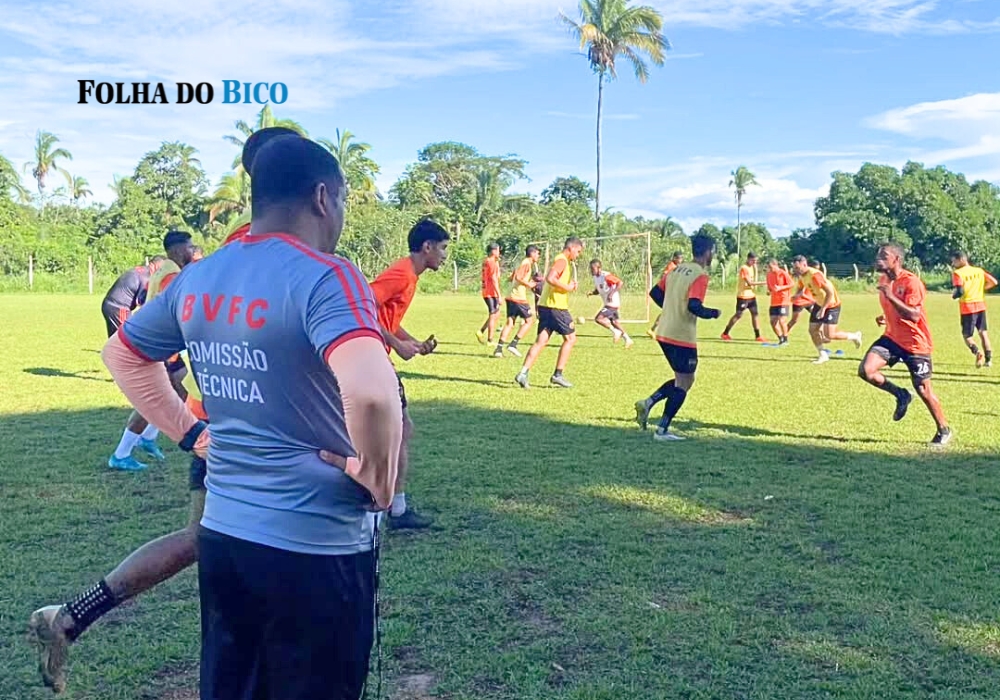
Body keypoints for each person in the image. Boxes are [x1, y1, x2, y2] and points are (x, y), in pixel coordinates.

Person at [28, 127, 341, 696]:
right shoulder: (279, 248)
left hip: (227, 426)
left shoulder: (237, 245)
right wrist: (192, 430)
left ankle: (71, 617)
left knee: (207, 541)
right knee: (248, 562)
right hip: (253, 439)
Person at [100, 132, 399, 700]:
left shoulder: (199, 276)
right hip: (316, 545)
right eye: (342, 200)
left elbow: (123, 355)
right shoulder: (327, 276)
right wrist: (378, 477)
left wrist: (191, 433)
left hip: (225, 538)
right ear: (322, 198)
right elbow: (375, 394)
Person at [370, 219, 451, 531]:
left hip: (376, 356)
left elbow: (385, 317)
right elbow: (361, 306)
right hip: (373, 358)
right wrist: (394, 344)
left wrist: (411, 342)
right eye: (442, 248)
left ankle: (389, 505)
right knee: (400, 429)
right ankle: (391, 508)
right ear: (427, 247)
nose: (444, 255)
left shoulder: (409, 274)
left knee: (396, 429)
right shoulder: (403, 273)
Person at [106, 233, 196, 471]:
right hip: (159, 347)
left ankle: (147, 438)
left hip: (163, 346)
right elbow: (179, 308)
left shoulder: (165, 270)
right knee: (154, 401)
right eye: (190, 247)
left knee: (180, 390)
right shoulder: (171, 275)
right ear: (178, 250)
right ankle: (121, 454)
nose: (194, 252)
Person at [859, 244, 951, 446]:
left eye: (884, 256)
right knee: (866, 370)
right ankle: (901, 394)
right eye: (878, 255)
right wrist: (885, 317)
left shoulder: (911, 282)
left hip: (915, 343)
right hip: (892, 338)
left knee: (924, 390)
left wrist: (890, 295)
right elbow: (896, 308)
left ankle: (943, 429)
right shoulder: (884, 280)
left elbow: (914, 315)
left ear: (897, 260)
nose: (878, 259)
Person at [634, 234, 720, 441]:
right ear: (708, 252)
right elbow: (694, 305)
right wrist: (713, 313)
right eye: (713, 252)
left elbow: (655, 293)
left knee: (684, 379)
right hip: (681, 335)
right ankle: (662, 430)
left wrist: (671, 308)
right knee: (684, 383)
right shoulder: (699, 274)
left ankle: (648, 403)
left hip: (664, 331)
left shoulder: (676, 270)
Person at [514, 237, 585, 389]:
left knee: (541, 341)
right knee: (571, 339)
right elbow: (551, 278)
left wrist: (568, 285)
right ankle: (558, 375)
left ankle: (523, 373)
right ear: (571, 248)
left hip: (545, 306)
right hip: (556, 307)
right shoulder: (562, 260)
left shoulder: (562, 260)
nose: (578, 255)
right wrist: (567, 287)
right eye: (578, 251)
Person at [790, 256, 862, 364]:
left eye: (797, 268)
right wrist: (797, 294)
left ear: (804, 264)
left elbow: (830, 292)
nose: (796, 270)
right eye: (794, 268)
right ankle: (823, 355)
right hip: (819, 303)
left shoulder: (815, 275)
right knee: (812, 330)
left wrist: (823, 309)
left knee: (829, 335)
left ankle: (854, 336)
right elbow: (801, 287)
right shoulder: (802, 276)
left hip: (831, 305)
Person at [950, 251, 996, 368]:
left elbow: (960, 291)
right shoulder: (979, 271)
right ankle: (988, 360)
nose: (953, 264)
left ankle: (977, 352)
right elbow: (993, 282)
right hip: (980, 305)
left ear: (961, 259)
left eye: (954, 261)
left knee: (967, 336)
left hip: (967, 307)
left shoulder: (958, 273)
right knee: (983, 333)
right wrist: (982, 289)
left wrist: (954, 296)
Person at [494, 244, 540, 358]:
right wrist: (529, 284)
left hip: (510, 296)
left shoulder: (522, 262)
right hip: (518, 298)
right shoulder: (527, 263)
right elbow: (519, 277)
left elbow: (512, 277)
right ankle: (513, 344)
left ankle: (498, 349)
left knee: (510, 323)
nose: (538, 256)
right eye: (537, 253)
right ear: (532, 253)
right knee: (529, 321)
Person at [721, 252, 766, 342]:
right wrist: (765, 282)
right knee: (738, 315)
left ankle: (758, 336)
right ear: (748, 259)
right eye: (753, 260)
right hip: (743, 296)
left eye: (756, 261)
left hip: (751, 296)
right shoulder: (744, 268)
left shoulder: (753, 267)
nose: (754, 262)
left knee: (755, 315)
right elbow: (749, 283)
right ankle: (725, 333)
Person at [588, 259, 633, 348]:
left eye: (593, 268)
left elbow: (620, 283)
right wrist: (592, 293)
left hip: (612, 303)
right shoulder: (596, 277)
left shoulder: (606, 276)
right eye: (590, 268)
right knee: (615, 322)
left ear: (599, 268)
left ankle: (616, 332)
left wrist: (611, 294)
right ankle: (628, 339)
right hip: (608, 303)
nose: (591, 270)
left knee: (598, 318)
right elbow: (599, 289)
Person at [647, 251, 683, 338]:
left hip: (661, 291)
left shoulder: (675, 267)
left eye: (681, 258)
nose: (681, 260)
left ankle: (653, 330)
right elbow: (665, 275)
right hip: (659, 292)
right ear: (674, 258)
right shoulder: (672, 266)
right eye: (679, 258)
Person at [476, 243, 502, 345]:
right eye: (498, 250)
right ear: (493, 251)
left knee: (496, 314)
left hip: (488, 291)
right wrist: (499, 295)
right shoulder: (491, 262)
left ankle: (481, 331)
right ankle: (490, 340)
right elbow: (494, 279)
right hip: (491, 292)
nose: (499, 252)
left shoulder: (487, 261)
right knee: (493, 314)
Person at [765, 258, 794, 345]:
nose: (769, 269)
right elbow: (770, 287)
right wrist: (769, 291)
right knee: (773, 322)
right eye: (768, 267)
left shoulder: (783, 273)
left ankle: (786, 339)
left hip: (783, 301)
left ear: (775, 265)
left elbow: (791, 284)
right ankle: (780, 338)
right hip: (774, 302)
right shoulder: (769, 275)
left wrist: (781, 288)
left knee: (782, 320)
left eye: (770, 267)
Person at [787, 262, 816, 334]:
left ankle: (822, 334)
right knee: (794, 321)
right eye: (815, 268)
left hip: (809, 301)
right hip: (800, 302)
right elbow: (801, 293)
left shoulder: (815, 277)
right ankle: (784, 334)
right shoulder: (804, 278)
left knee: (818, 317)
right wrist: (796, 296)